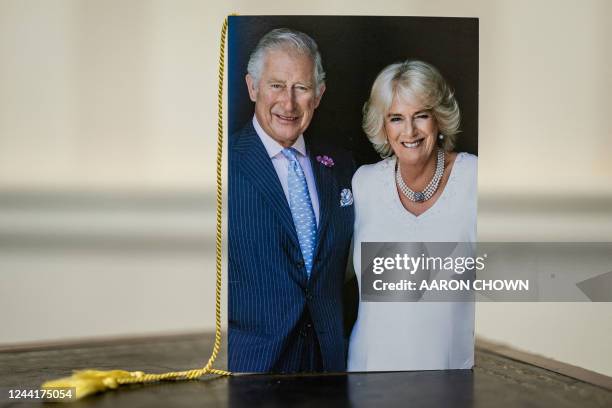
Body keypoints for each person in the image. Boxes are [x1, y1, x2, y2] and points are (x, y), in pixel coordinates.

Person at [228, 28, 355, 373]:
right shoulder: (223, 165)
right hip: (250, 370)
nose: (289, 102)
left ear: (319, 94)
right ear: (252, 87)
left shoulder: (342, 167)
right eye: (276, 85)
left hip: (329, 368)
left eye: (301, 88)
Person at [347, 60, 476, 371]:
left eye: (421, 116)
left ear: (439, 119)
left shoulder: (476, 177)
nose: (409, 131)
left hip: (453, 376)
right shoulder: (363, 183)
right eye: (396, 118)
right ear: (382, 124)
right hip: (370, 374)